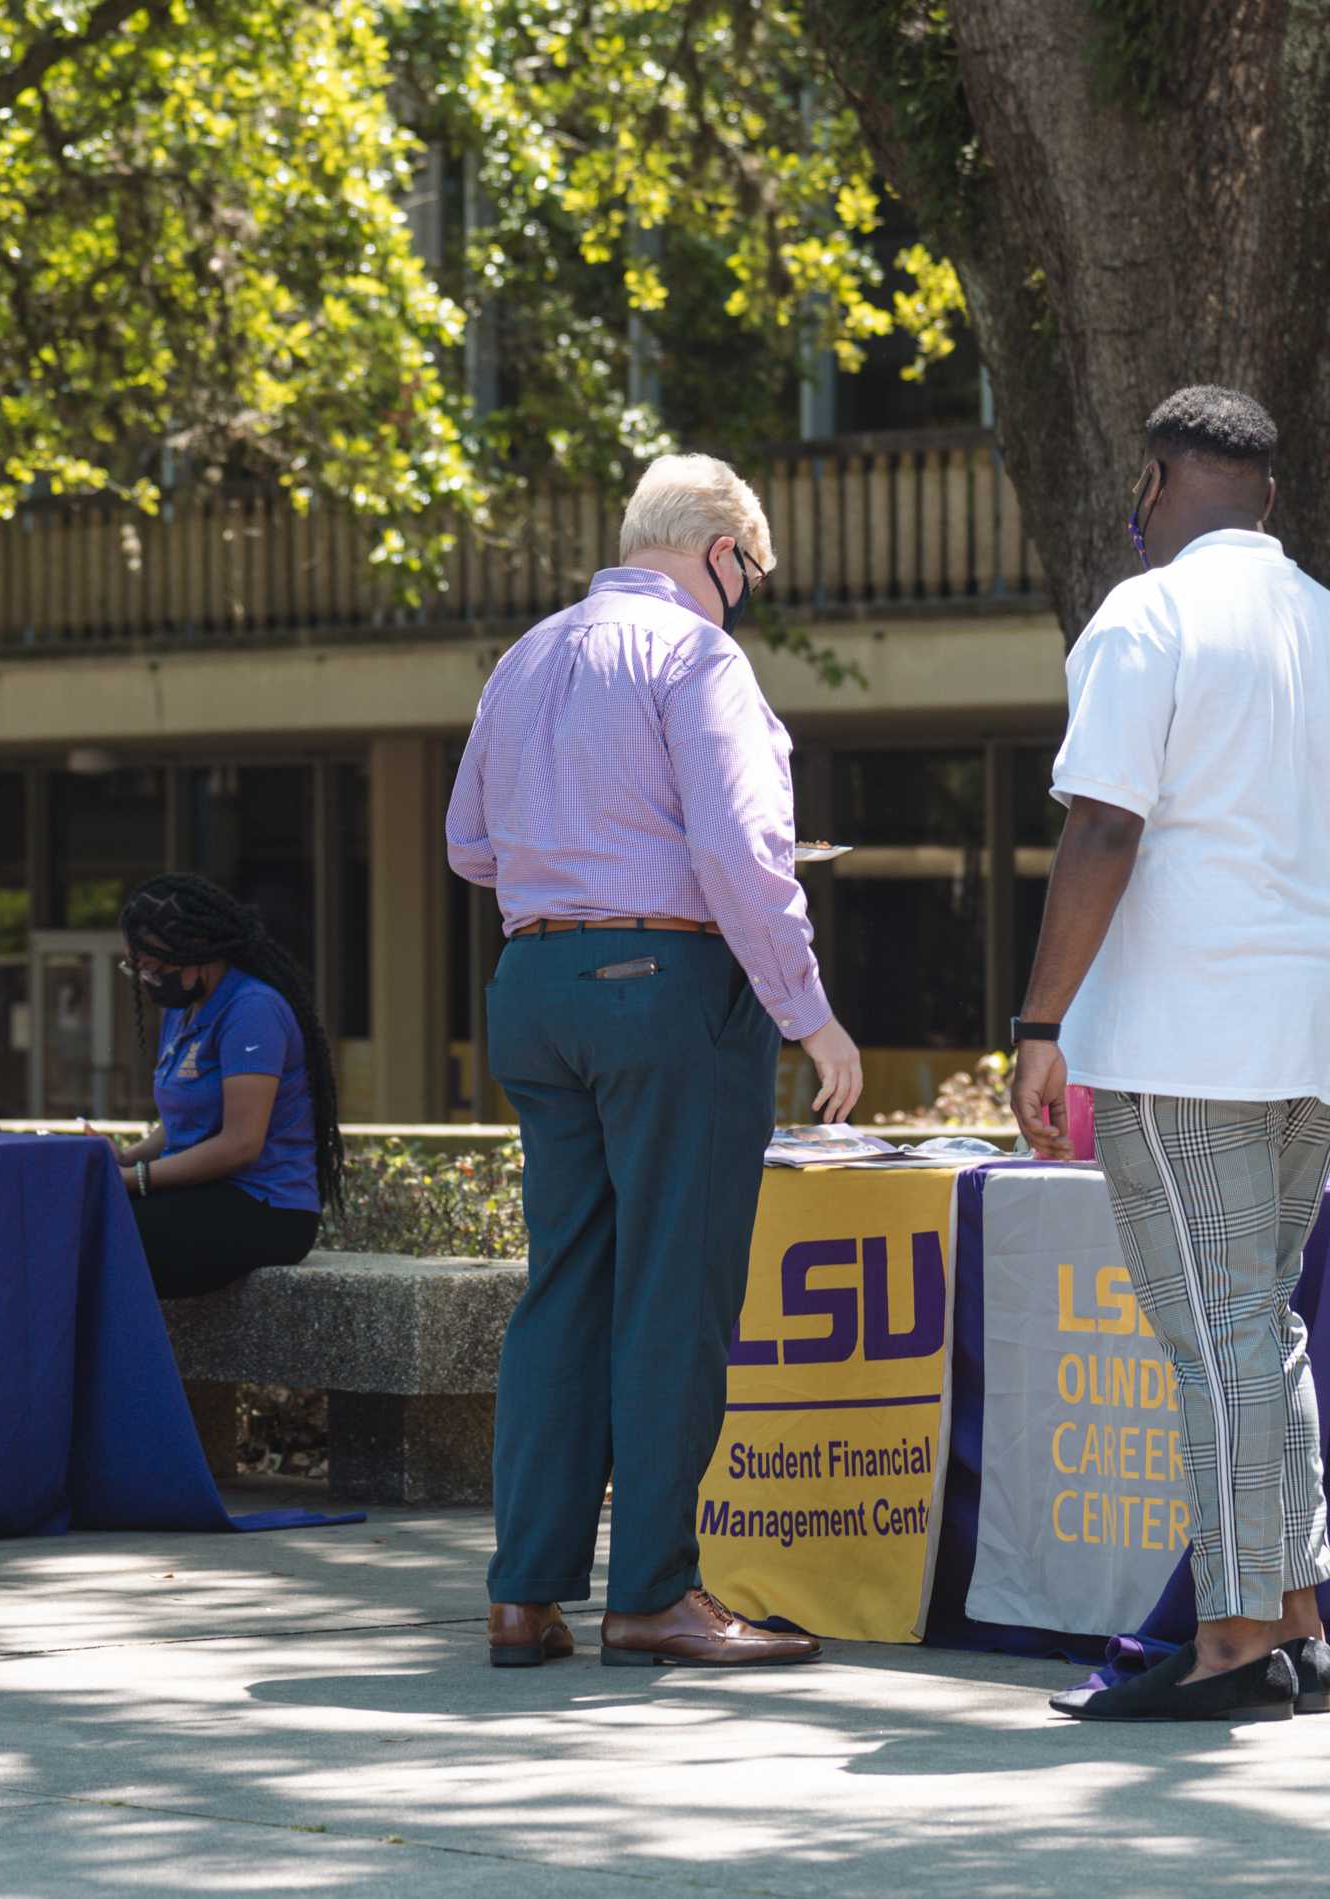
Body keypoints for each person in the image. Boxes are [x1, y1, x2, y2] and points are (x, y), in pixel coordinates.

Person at [1011, 387, 1330, 1723]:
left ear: (1160, 479)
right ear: (1271, 495)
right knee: (1263, 1316)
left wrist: (1040, 1019)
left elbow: (1104, 826)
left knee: (1223, 1328)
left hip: (1183, 1033)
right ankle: (1297, 1619)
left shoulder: (1149, 615)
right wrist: (1303, 962)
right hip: (1315, 1036)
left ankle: (1235, 1640)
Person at [447, 452, 864, 1671]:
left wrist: (578, 871)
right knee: (675, 1296)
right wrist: (810, 1014)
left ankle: (522, 1596)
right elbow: (741, 850)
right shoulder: (695, 656)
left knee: (561, 1288)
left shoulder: (525, 656)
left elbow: (470, 844)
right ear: (722, 549)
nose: (748, 594)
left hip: (535, 985)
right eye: (754, 571)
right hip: (667, 991)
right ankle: (654, 1596)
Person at [113, 875, 344, 1297]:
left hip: (264, 1207)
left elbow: (240, 1144)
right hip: (201, 1193)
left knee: (108, 1242)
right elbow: (187, 1117)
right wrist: (125, 1158)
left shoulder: (251, 1009)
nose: (148, 980)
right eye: (138, 969)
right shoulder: (183, 1009)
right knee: (77, 1221)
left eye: (156, 968)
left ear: (197, 951)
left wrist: (137, 1179)